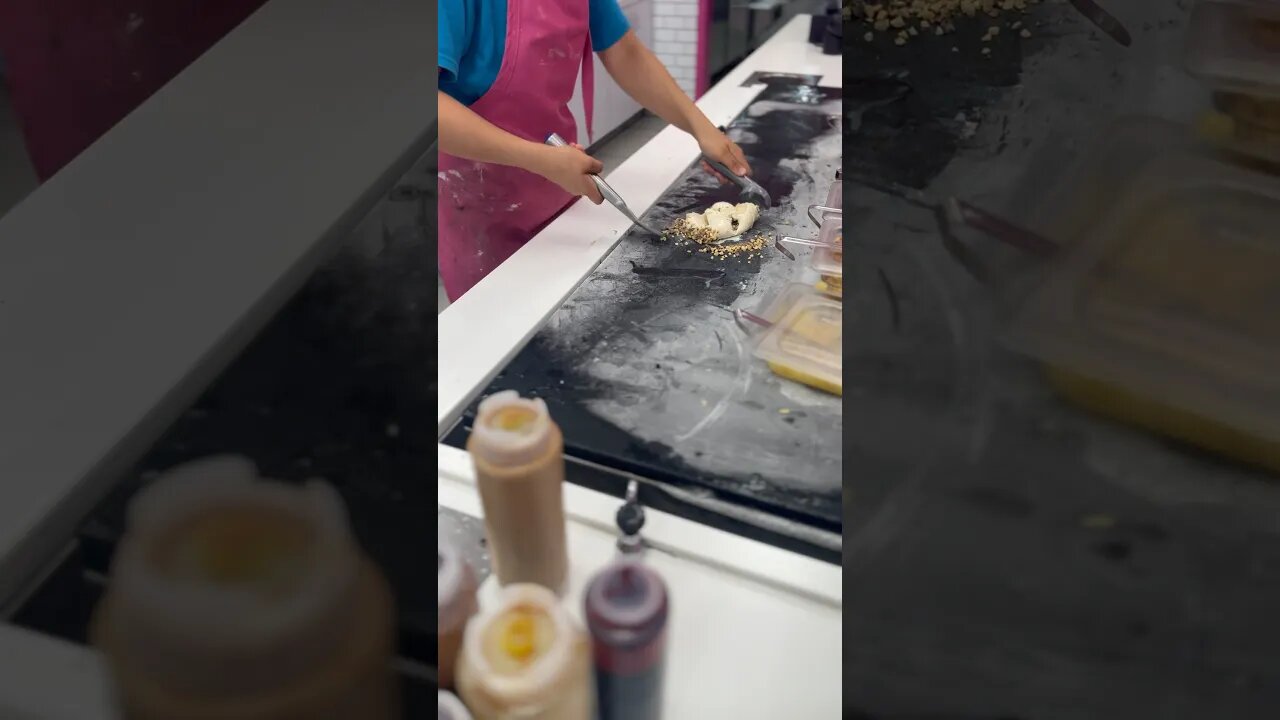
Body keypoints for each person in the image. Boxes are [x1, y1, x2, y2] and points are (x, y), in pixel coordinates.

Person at [438, 0, 753, 301]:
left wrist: (702, 128)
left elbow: (625, 52)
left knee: (563, 307)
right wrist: (540, 160)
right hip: (475, 201)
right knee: (497, 330)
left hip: (559, 178)